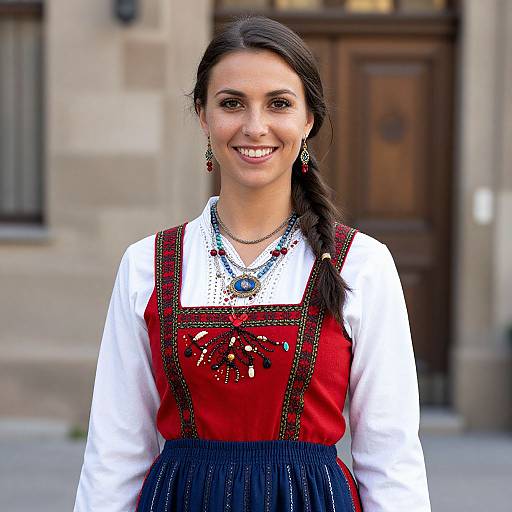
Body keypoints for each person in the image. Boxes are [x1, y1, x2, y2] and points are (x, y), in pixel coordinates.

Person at [74, 15, 431, 512]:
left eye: (279, 104)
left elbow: (391, 458)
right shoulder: (147, 266)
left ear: (308, 120)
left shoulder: (361, 266)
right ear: (203, 115)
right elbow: (114, 453)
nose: (254, 126)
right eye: (231, 103)